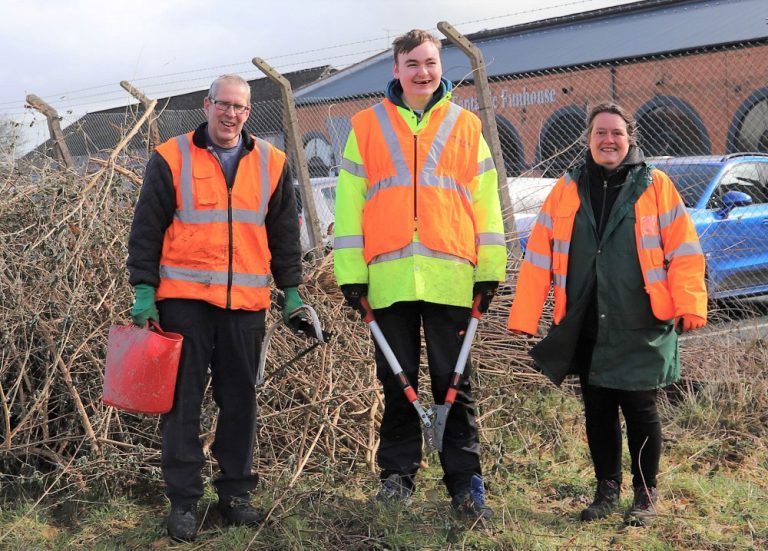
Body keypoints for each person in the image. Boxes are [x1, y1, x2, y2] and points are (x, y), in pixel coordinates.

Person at [333, 29, 506, 520]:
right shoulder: (365, 126)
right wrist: (351, 273)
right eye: (412, 64)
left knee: (456, 383)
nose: (422, 72)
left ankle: (465, 481)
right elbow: (348, 206)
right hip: (387, 280)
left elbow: (486, 203)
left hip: (452, 277)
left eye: (430, 63)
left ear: (440, 65)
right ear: (396, 69)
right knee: (397, 381)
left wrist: (489, 270)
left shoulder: (467, 126)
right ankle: (397, 477)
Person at [507, 102, 707, 526]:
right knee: (596, 408)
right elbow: (539, 253)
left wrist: (690, 304)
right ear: (588, 139)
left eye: (616, 132)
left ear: (629, 137)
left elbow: (685, 251)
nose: (608, 140)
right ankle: (606, 492)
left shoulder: (656, 185)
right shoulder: (567, 187)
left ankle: (645, 494)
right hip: (586, 319)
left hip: (641, 319)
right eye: (600, 133)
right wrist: (525, 315)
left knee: (640, 408)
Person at [127, 74, 308, 541]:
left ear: (250, 112)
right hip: (184, 305)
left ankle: (235, 495)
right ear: (207, 105)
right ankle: (184, 501)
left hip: (245, 305)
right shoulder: (171, 157)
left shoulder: (273, 162)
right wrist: (143, 291)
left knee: (241, 401)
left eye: (240, 107)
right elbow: (146, 228)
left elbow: (285, 235)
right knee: (182, 405)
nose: (231, 114)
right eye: (224, 104)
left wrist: (292, 293)